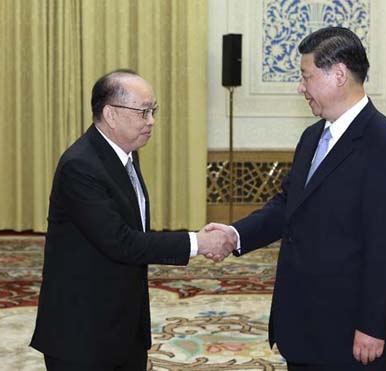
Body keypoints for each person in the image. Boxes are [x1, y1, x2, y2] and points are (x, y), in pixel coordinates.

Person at [206, 27, 386, 371]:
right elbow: (286, 207)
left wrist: (372, 325)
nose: (300, 87)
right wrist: (235, 235)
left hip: (351, 335)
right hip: (304, 326)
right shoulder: (311, 137)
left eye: (305, 76)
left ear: (338, 75)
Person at [30, 69, 235, 371]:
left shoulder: (125, 154)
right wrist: (198, 242)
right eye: (143, 112)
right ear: (110, 114)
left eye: (153, 111)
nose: (151, 121)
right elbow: (121, 241)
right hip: (82, 333)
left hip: (123, 327)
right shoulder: (80, 166)